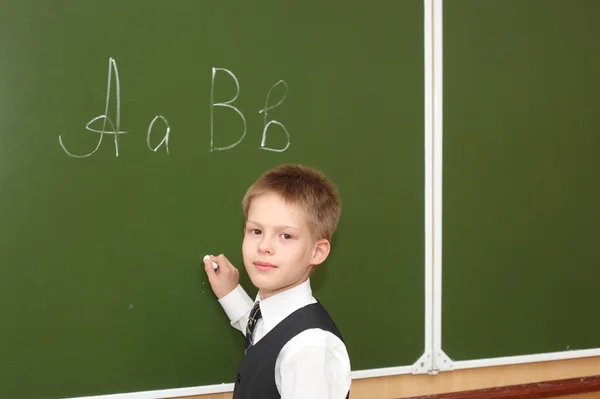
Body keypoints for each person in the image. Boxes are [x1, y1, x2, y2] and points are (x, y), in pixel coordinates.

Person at [203, 163, 351, 399]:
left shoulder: (308, 350)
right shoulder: (274, 316)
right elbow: (265, 334)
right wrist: (230, 293)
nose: (264, 246)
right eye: (256, 231)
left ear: (317, 252)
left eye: (286, 235)